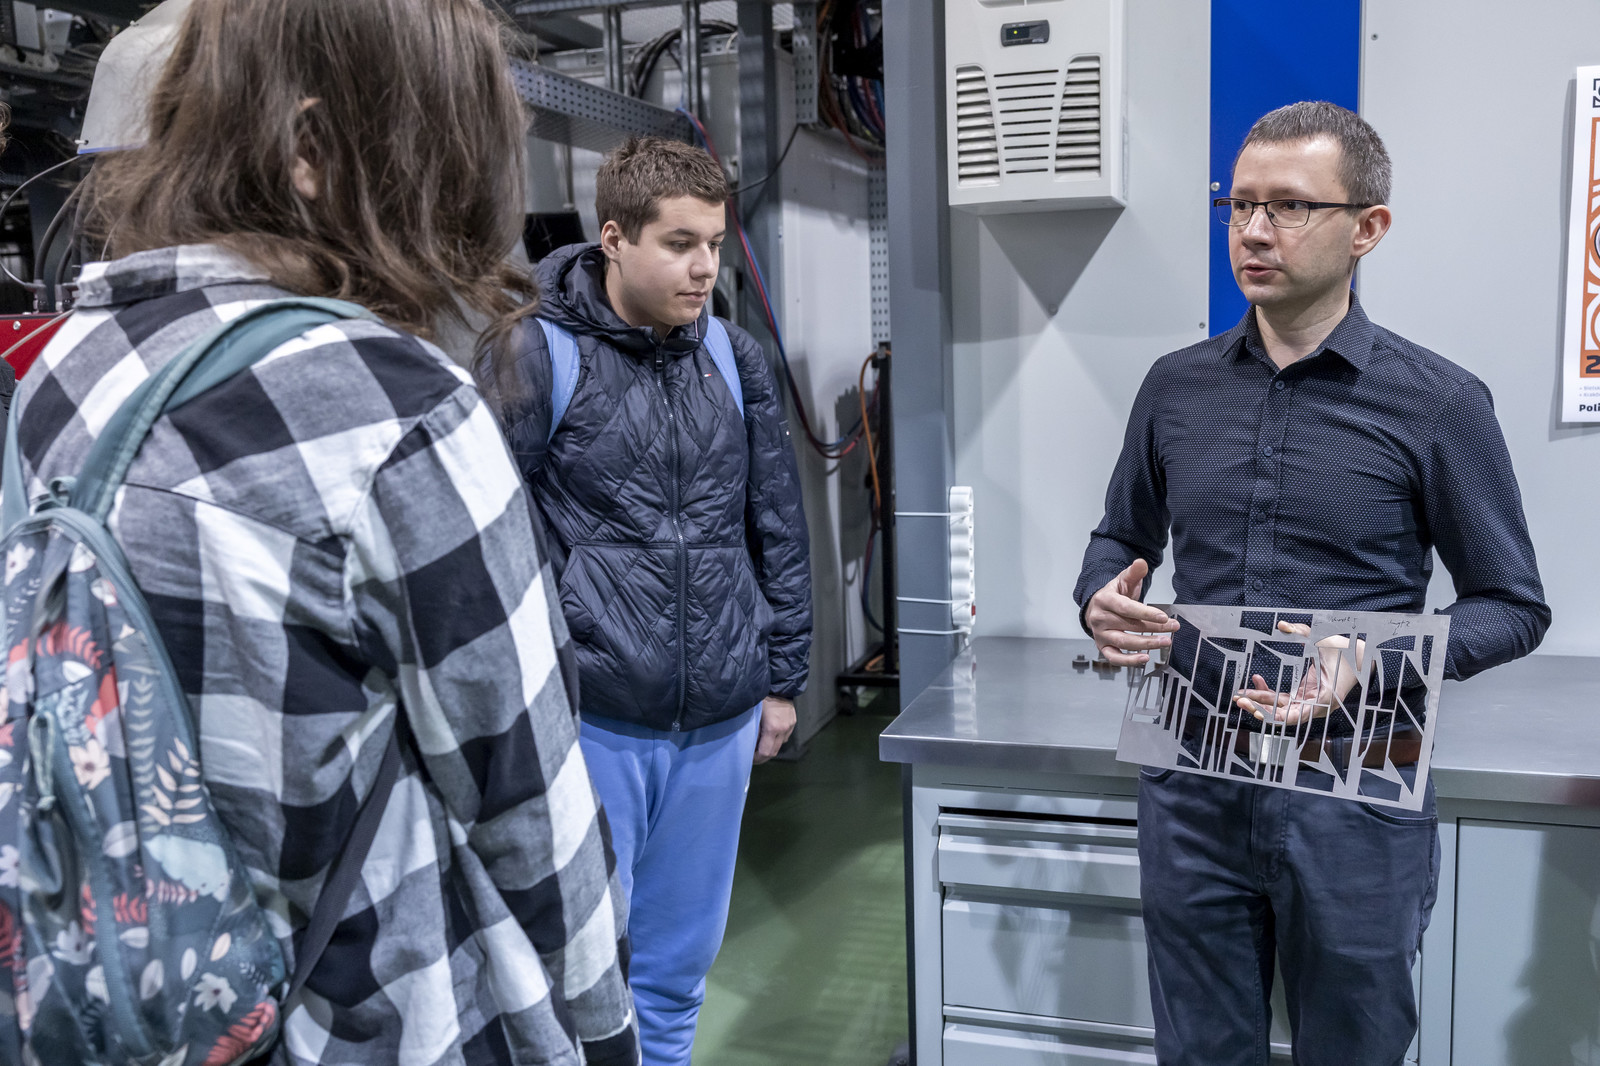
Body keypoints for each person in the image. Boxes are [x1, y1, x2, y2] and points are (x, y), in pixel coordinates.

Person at [7, 1, 638, 1063]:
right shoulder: (395, 411)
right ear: (311, 151)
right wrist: (605, 1026)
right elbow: (529, 806)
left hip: (135, 1003)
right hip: (366, 1022)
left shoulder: (63, 375)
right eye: (438, 160)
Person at [1075, 101, 1549, 1065]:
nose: (1254, 231)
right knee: (1200, 1051)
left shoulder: (1438, 402)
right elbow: (1121, 534)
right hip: (1194, 770)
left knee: (1353, 1050)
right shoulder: (1175, 386)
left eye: (1289, 206)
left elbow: (1512, 605)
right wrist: (1098, 598)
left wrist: (1375, 658)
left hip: (1357, 778)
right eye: (1239, 205)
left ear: (1367, 228)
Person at [480, 136, 813, 1066]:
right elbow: (494, 544)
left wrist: (782, 681)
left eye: (713, 243)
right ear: (615, 238)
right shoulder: (532, 352)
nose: (704, 267)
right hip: (594, 716)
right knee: (582, 968)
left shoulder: (732, 358)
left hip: (721, 714)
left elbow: (776, 523)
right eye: (679, 244)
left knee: (677, 969)